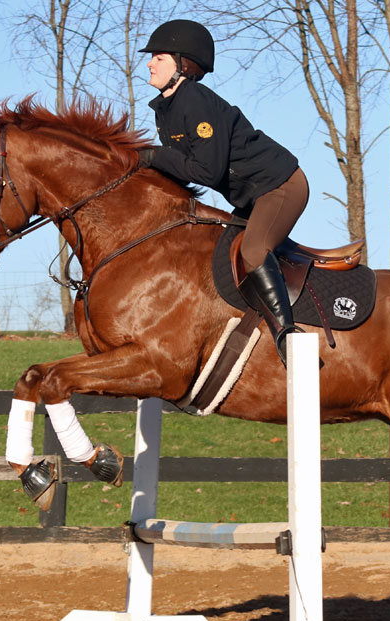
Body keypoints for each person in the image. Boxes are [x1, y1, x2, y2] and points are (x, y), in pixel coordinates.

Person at [137, 19, 309, 365]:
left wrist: (151, 156)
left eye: (158, 57)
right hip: (252, 196)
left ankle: (288, 335)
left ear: (182, 65)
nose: (149, 63)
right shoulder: (168, 109)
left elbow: (205, 171)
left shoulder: (196, 101)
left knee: (254, 250)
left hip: (280, 186)